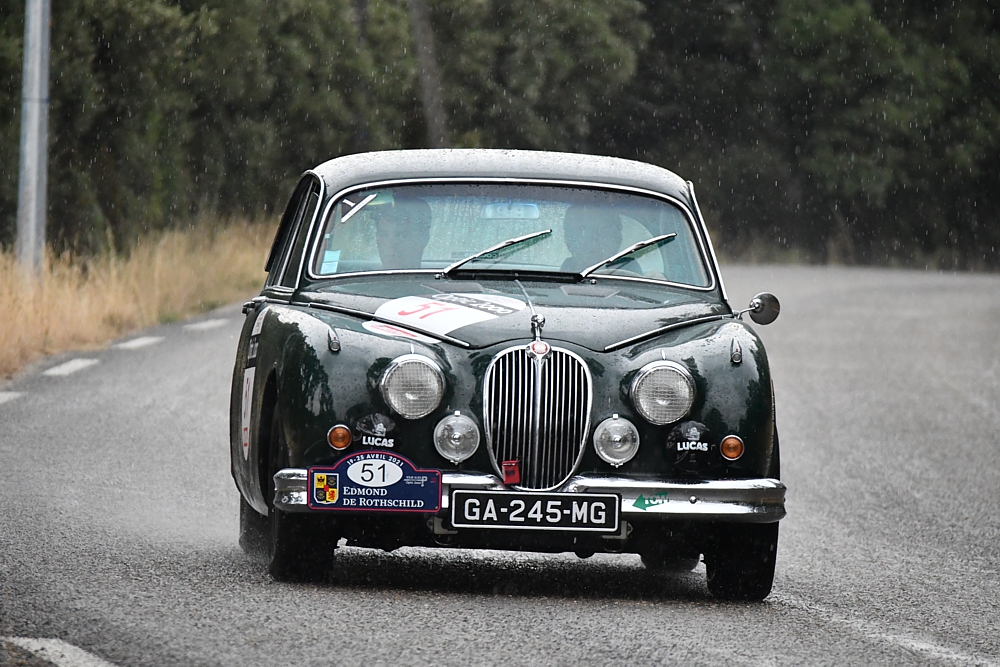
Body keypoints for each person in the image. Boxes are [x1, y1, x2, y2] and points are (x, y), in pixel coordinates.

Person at [560, 204, 640, 273]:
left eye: (602, 231)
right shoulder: (566, 272)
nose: (593, 240)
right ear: (568, 239)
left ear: (617, 239)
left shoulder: (629, 268)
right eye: (581, 231)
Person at [374, 196, 432, 269]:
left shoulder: (442, 275)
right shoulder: (363, 274)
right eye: (383, 235)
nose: (391, 243)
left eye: (401, 235)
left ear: (423, 238)